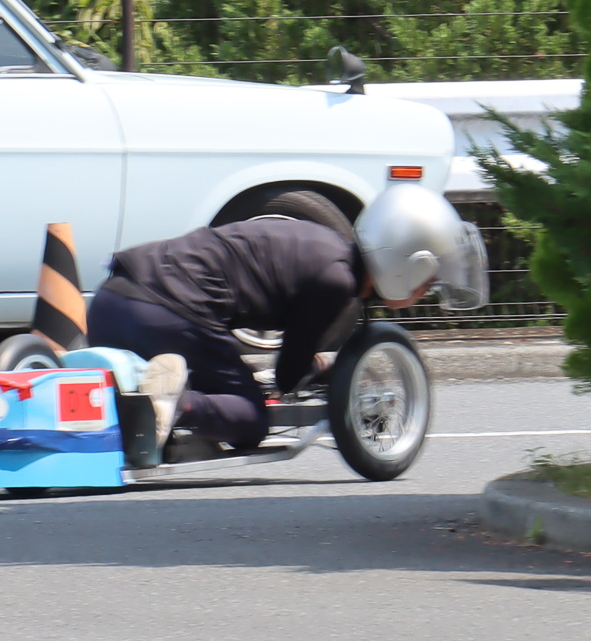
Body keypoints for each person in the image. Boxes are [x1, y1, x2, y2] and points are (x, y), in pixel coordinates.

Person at [94, 184, 482, 451]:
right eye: (427, 280)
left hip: (110, 301)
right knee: (250, 421)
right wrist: (321, 366)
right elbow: (287, 376)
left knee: (200, 369)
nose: (426, 290)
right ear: (407, 266)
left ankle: (135, 402)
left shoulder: (321, 242)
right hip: (168, 313)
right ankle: (174, 404)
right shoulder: (336, 282)